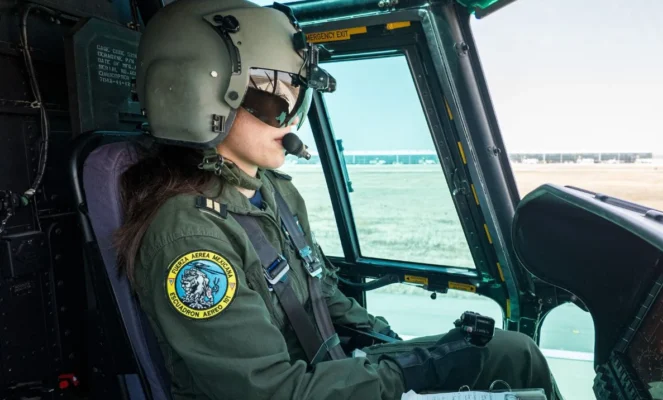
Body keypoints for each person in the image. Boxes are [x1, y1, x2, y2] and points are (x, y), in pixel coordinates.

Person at [114, 0, 562, 399]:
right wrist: (413, 370)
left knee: (512, 353)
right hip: (297, 388)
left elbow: (321, 291)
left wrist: (391, 344)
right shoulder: (190, 239)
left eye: (299, 95)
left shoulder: (272, 190)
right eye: (273, 99)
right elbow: (272, 391)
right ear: (196, 91)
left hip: (325, 373)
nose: (293, 118)